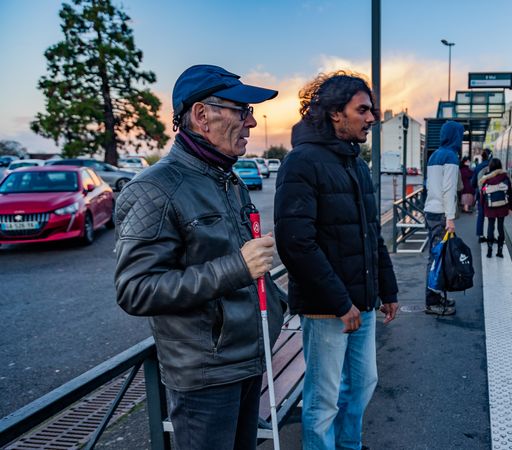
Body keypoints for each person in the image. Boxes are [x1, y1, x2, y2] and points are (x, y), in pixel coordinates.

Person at [114, 64, 282, 450]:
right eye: (242, 110)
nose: (252, 122)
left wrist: (276, 305)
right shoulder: (154, 189)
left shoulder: (228, 179)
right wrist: (238, 266)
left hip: (247, 358)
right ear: (202, 115)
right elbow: (135, 290)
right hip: (205, 376)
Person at [274, 71, 399, 450]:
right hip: (328, 309)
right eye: (362, 109)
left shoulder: (355, 164)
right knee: (323, 400)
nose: (372, 118)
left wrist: (388, 288)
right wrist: (339, 302)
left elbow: (370, 234)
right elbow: (296, 243)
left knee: (362, 386)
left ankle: (349, 446)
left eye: (372, 110)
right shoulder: (300, 162)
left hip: (361, 302)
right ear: (334, 114)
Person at [423, 120, 462, 316]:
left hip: (431, 211)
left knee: (436, 256)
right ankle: (432, 302)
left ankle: (437, 296)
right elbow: (448, 190)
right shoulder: (451, 157)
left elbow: (430, 185)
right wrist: (450, 218)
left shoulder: (434, 156)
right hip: (441, 214)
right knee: (438, 258)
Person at [479, 158, 512, 258]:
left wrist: (482, 205)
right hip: (502, 206)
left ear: (490, 166)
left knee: (490, 226)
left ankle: (489, 250)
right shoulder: (505, 177)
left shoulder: (486, 178)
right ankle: (500, 251)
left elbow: (483, 193)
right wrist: (511, 206)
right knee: (501, 227)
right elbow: (510, 193)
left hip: (490, 206)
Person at [471, 149, 492, 242]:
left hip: (481, 194)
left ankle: (480, 235)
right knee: (493, 215)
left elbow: (473, 183)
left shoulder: (478, 167)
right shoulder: (494, 166)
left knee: (481, 215)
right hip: (493, 194)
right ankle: (491, 235)